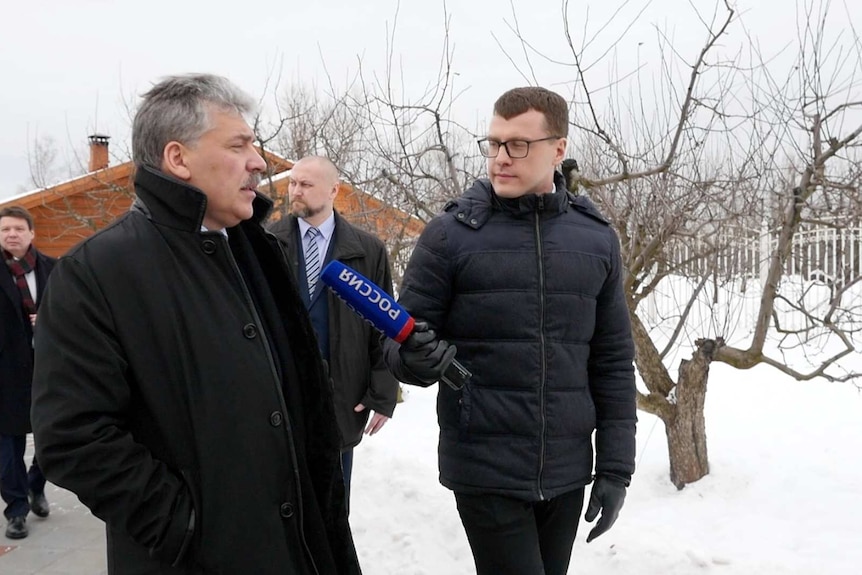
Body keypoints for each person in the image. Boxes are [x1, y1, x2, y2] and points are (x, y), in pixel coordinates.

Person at [31, 74, 360, 574]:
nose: (259, 162)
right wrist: (186, 527)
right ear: (178, 159)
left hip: (297, 549)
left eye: (256, 145)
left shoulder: (261, 253)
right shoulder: (97, 273)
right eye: (238, 144)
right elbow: (73, 436)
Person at [383, 86, 637, 575]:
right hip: (485, 464)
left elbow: (610, 360)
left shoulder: (596, 239)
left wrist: (615, 467)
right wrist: (416, 357)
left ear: (558, 150)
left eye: (518, 144)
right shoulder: (451, 236)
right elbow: (397, 349)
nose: (500, 157)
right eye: (494, 143)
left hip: (566, 467)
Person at [268, 156, 399, 511]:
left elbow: (384, 325)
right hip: (278, 400)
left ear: (334, 190)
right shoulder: (267, 243)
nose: (295, 191)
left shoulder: (367, 251)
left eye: (306, 185)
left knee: (331, 511)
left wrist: (383, 391)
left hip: (340, 399)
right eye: (293, 183)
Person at [0, 206, 55, 539]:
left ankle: (37, 485)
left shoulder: (55, 268)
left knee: (53, 436)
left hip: (49, 368)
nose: (11, 234)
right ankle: (16, 509)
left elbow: (74, 315)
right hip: (5, 372)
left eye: (18, 228)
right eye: (5, 229)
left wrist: (48, 321)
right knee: (8, 448)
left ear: (31, 233)